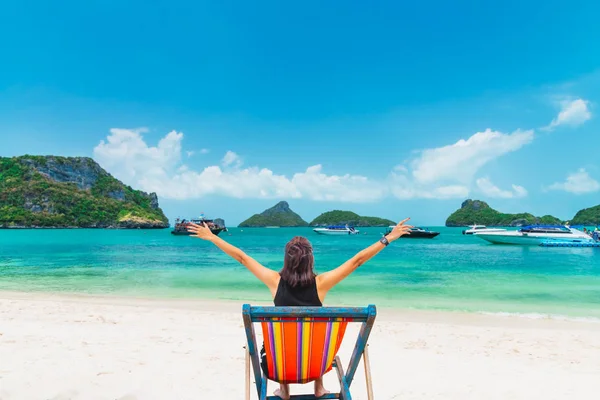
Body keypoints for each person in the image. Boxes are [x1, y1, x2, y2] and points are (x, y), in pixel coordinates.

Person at [187, 217, 413, 399]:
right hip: (316, 364)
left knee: (284, 342)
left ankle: (284, 390)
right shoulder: (321, 283)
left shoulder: (274, 281)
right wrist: (387, 239)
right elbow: (356, 261)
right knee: (314, 339)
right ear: (310, 259)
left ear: (286, 259)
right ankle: (319, 387)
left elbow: (242, 258)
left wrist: (211, 238)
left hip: (279, 366)